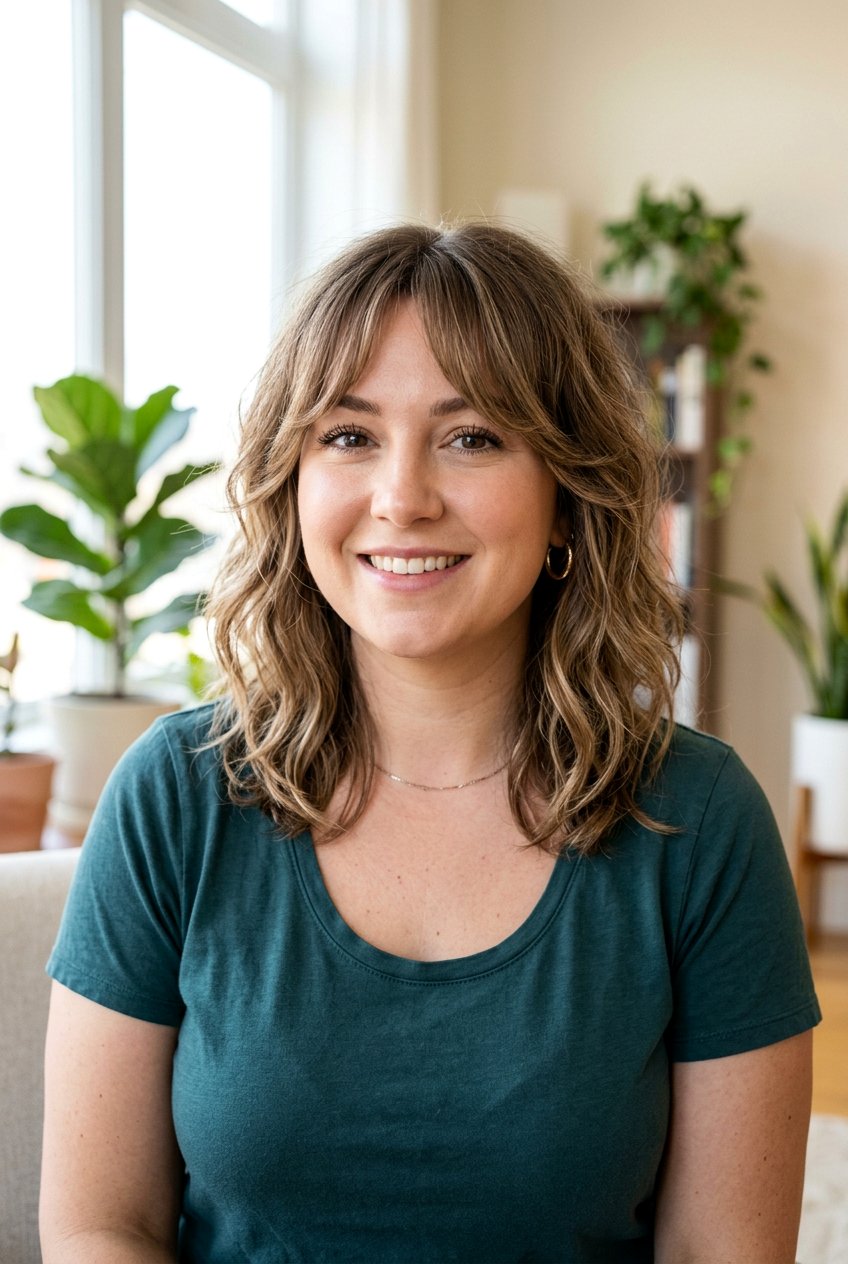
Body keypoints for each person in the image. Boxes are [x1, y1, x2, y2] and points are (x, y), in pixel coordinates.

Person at [40, 223, 820, 1264]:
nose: (400, 497)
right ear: (292, 483)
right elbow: (100, 1227)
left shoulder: (697, 819)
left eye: (471, 437)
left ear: (565, 499)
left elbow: (720, 1253)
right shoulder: (173, 797)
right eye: (349, 436)